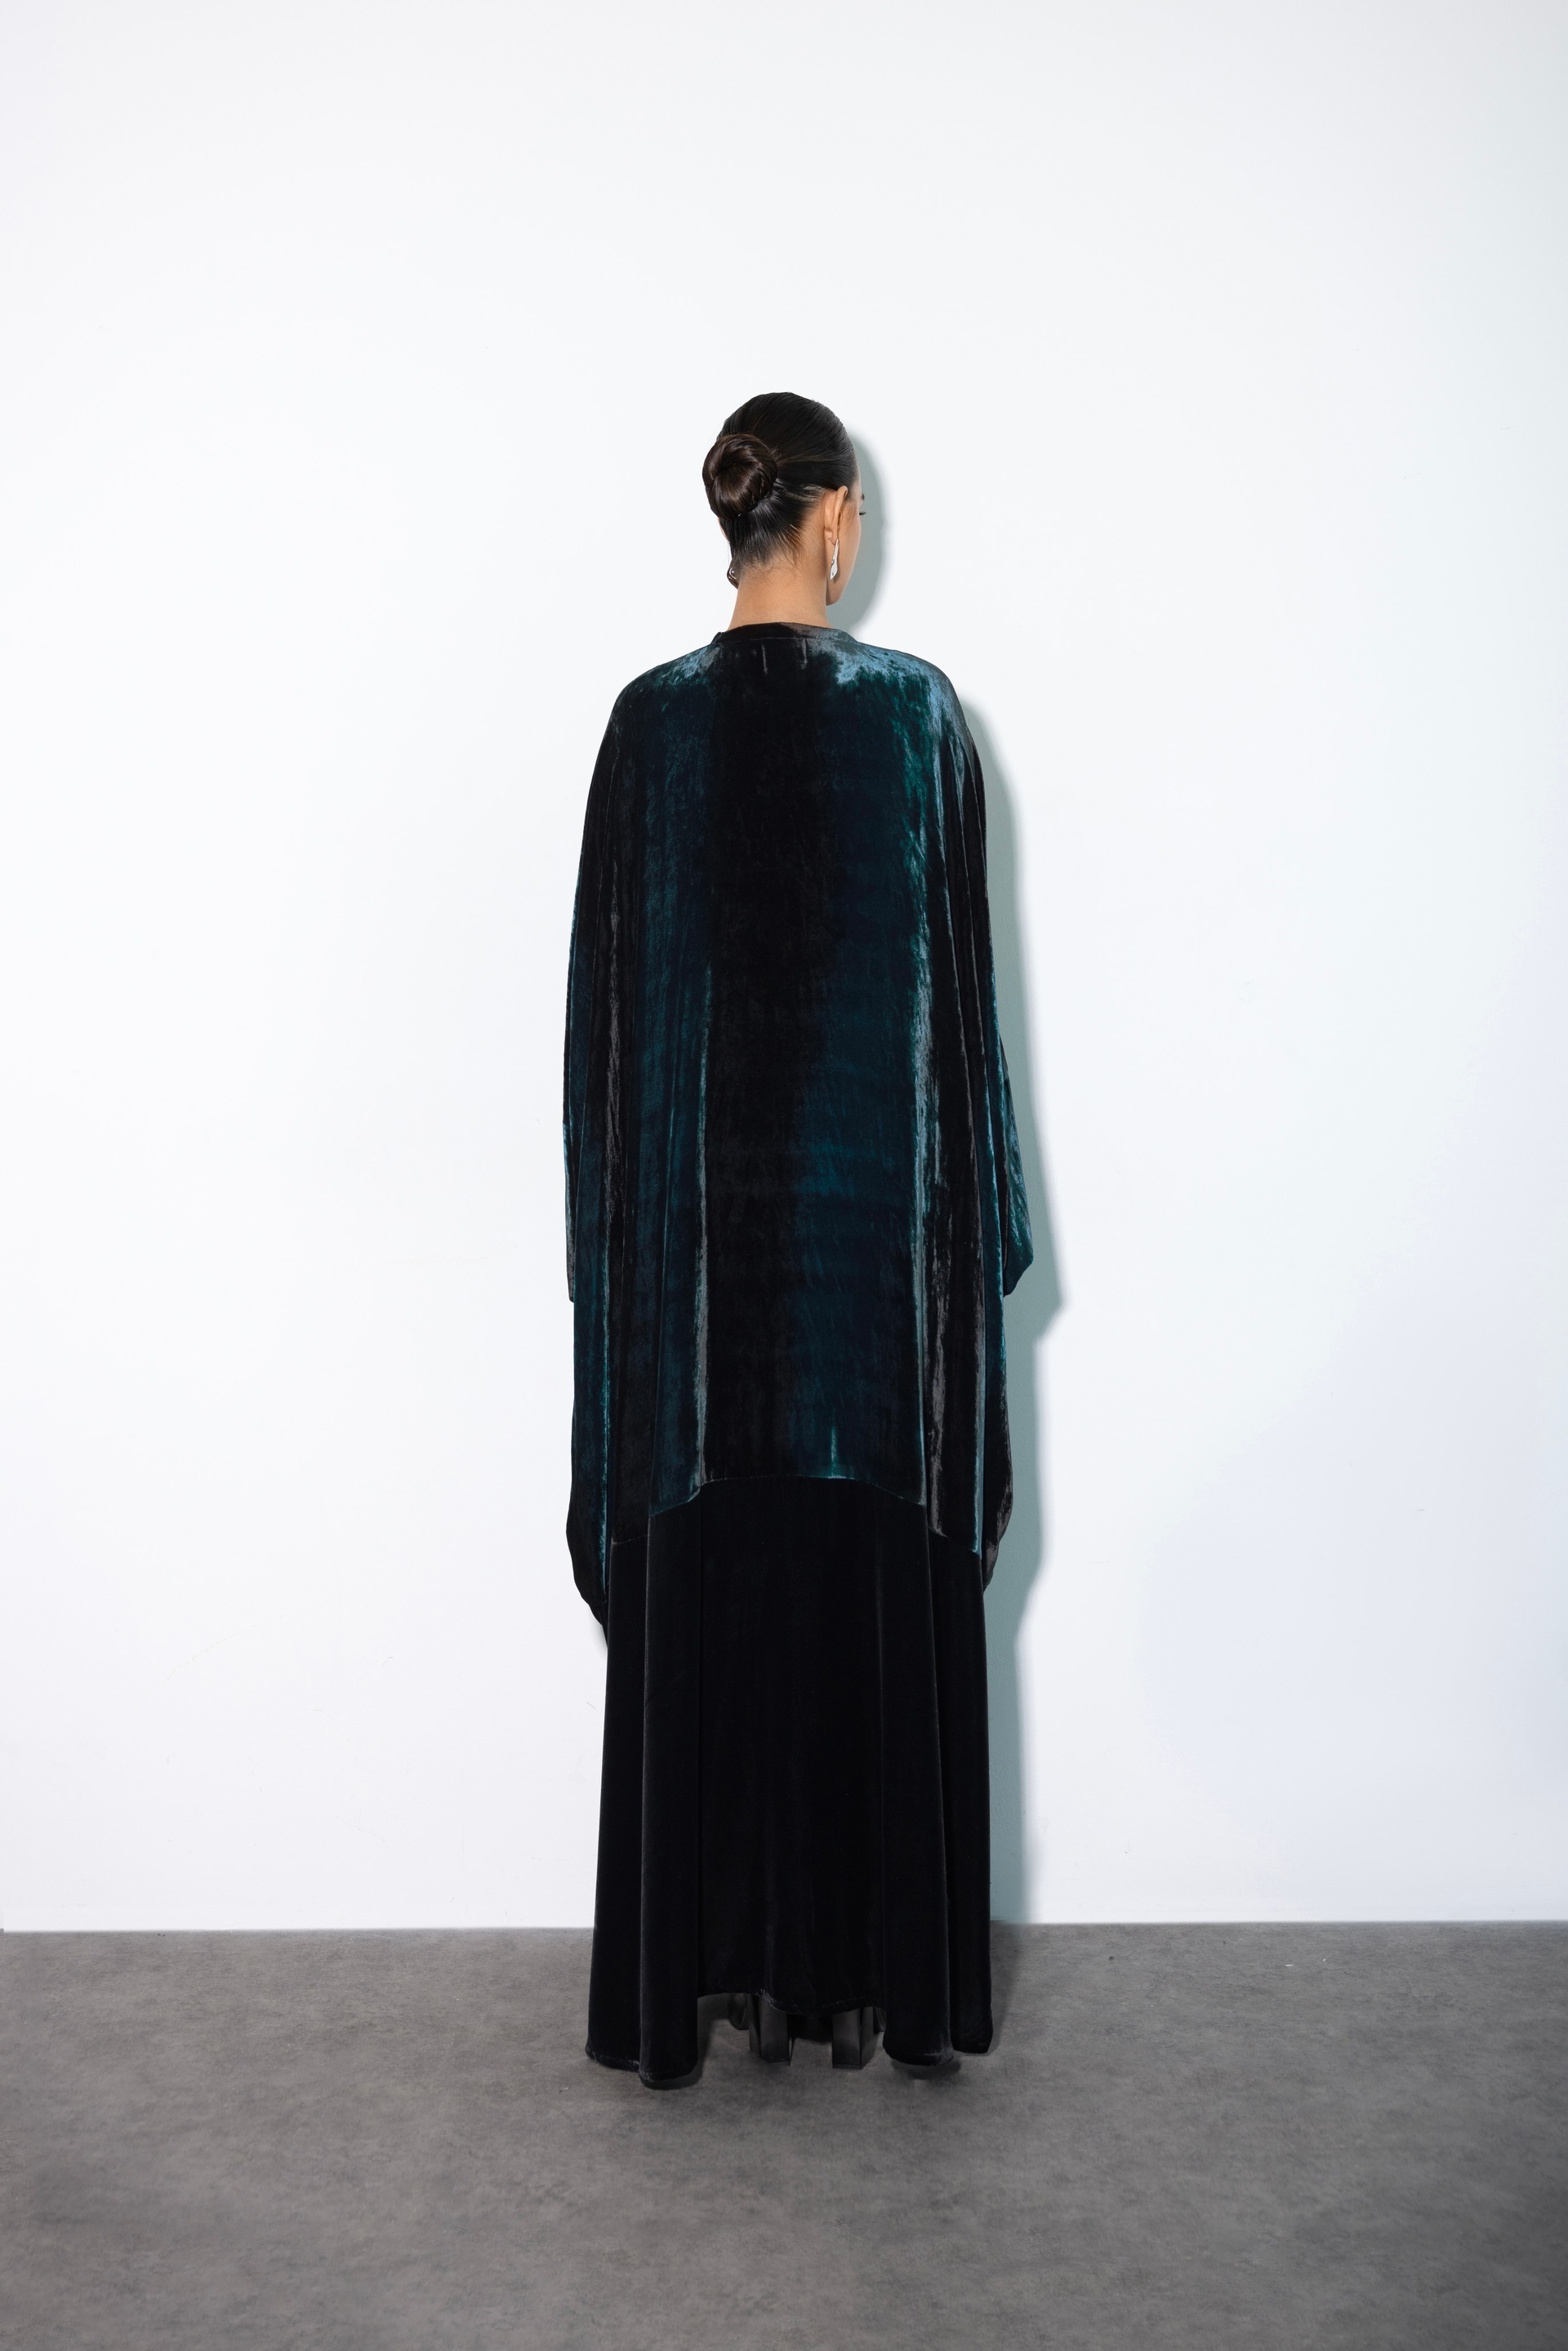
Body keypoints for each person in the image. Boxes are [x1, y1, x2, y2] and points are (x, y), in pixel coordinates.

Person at [564, 390, 1033, 2087]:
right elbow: (959, 1029)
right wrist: (977, 1222)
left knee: (715, 1597)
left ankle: (697, 1981)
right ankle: (882, 1979)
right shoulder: (915, 719)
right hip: (874, 1329)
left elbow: (606, 1043)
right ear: (830, 519)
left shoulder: (649, 727)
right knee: (869, 1607)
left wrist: (631, 1260)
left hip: (700, 1328)